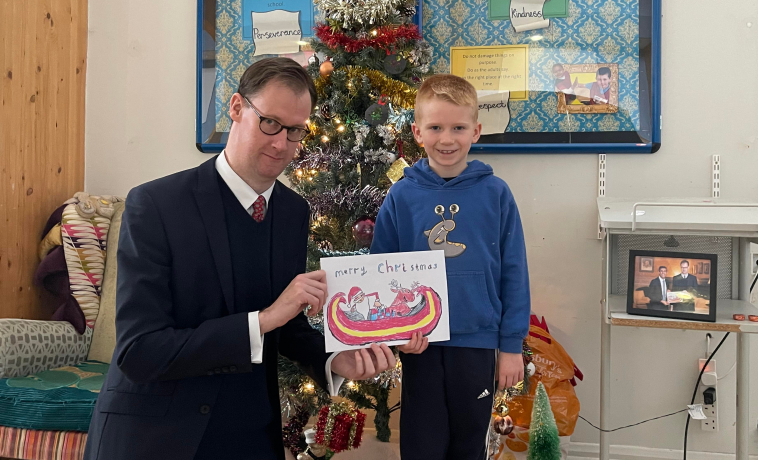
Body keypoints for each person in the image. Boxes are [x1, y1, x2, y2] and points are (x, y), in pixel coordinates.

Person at [84, 58, 396, 460]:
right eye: (269, 122)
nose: (281, 143)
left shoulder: (292, 212)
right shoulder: (156, 205)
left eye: (295, 130)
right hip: (155, 436)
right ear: (236, 108)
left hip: (250, 434)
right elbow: (138, 351)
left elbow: (288, 325)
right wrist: (264, 320)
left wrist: (336, 362)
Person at [370, 74, 531, 460]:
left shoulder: (496, 194)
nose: (447, 138)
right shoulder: (401, 195)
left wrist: (510, 347)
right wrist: (395, 335)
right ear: (417, 132)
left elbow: (514, 272)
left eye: (458, 128)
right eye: (436, 127)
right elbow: (382, 268)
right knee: (422, 442)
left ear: (476, 130)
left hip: (476, 345)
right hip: (420, 345)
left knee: (469, 442)